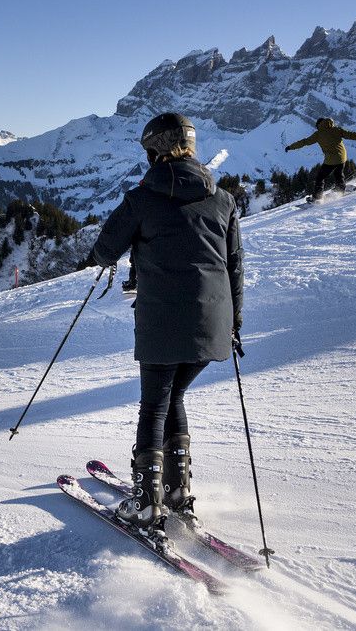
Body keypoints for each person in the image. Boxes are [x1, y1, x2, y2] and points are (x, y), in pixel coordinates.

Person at [84, 113, 243, 534]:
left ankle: (146, 503)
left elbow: (103, 251)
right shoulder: (223, 200)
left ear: (156, 149)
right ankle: (176, 494)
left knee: (155, 402)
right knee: (173, 398)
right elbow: (235, 268)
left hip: (162, 321)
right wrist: (234, 323)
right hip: (214, 323)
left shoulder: (143, 198)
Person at [285, 117, 356, 201]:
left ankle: (317, 197)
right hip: (342, 157)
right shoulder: (337, 130)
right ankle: (340, 188)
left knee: (320, 177)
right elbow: (353, 135)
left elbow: (304, 142)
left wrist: (290, 147)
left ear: (319, 125)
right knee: (338, 173)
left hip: (331, 160)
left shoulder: (318, 134)